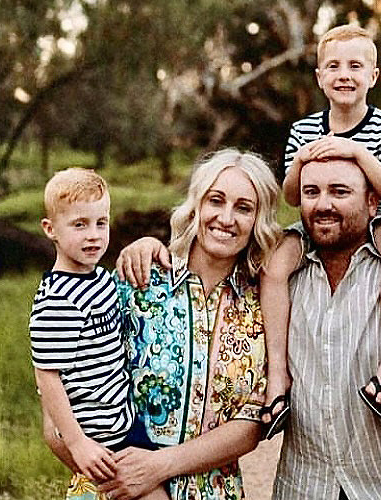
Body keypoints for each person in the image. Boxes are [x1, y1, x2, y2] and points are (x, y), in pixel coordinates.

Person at [117, 155, 381, 499]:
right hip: (303, 487)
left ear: (373, 202)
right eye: (311, 192)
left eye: (340, 191)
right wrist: (150, 245)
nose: (323, 204)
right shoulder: (275, 285)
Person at [49, 149, 282, 499]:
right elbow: (58, 416)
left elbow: (250, 425)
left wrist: (160, 466)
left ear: (258, 219)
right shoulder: (135, 282)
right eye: (215, 200)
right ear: (196, 206)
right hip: (117, 490)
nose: (226, 217)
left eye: (244, 208)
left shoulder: (260, 305)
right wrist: (131, 484)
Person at [260, 24, 381, 435]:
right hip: (321, 219)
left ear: (373, 76)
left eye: (355, 66)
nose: (344, 74)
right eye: (333, 66)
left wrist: (356, 152)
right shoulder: (305, 129)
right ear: (319, 77)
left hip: (379, 216)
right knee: (275, 265)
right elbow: (293, 197)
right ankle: (278, 375)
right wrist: (298, 163)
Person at [29, 168, 168, 499]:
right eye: (79, 224)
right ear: (51, 229)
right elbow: (47, 376)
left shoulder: (103, 280)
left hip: (125, 419)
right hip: (97, 436)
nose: (93, 235)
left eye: (100, 223)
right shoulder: (57, 300)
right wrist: (77, 443)